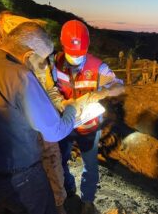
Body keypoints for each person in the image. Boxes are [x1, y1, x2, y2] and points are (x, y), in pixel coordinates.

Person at [0, 22, 77, 214]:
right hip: (20, 175)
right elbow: (55, 131)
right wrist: (72, 109)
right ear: (29, 54)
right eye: (41, 61)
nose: (42, 68)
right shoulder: (20, 76)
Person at [54, 20, 124, 214]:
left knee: (90, 165)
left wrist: (101, 93)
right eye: (72, 53)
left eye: (80, 54)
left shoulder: (97, 66)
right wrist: (61, 103)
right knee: (59, 161)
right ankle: (69, 192)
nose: (76, 58)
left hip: (89, 127)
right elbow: (47, 88)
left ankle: (87, 201)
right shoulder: (54, 63)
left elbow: (119, 86)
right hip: (65, 125)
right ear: (63, 45)